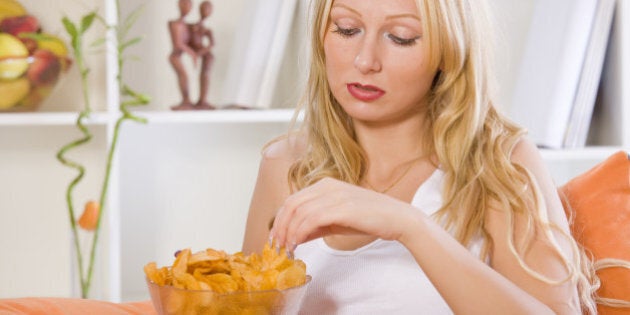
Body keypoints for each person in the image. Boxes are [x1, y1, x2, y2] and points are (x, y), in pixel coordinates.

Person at [242, 0, 597, 314]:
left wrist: (409, 225)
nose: (365, 60)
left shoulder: (500, 162)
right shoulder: (285, 164)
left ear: (450, 47)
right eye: (347, 29)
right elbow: (245, 302)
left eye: (401, 37)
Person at [168, 0, 214, 110]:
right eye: (184, 4)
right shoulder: (175, 24)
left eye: (189, 5)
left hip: (199, 56)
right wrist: (193, 54)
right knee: (184, 76)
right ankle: (186, 100)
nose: (187, 7)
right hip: (175, 56)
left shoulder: (194, 26)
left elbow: (206, 42)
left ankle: (201, 101)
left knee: (204, 75)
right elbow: (178, 43)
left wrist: (198, 52)